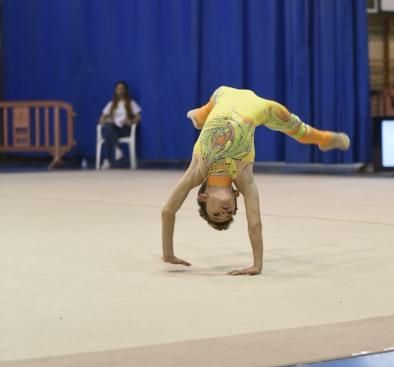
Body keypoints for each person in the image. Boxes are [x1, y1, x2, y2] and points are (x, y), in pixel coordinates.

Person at [161, 86, 350, 275]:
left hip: (222, 94)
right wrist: (257, 265)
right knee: (298, 129)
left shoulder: (198, 170)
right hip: (260, 108)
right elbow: (254, 223)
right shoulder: (243, 178)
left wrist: (168, 254)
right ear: (236, 195)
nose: (224, 212)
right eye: (229, 214)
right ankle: (325, 139)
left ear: (203, 197)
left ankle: (202, 114)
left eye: (216, 214)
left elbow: (168, 211)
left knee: (216, 101)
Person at [98, 81, 141, 169]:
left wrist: (130, 121)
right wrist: (108, 119)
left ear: (125, 90)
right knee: (108, 128)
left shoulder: (131, 103)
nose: (120, 91)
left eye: (122, 89)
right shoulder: (111, 104)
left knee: (107, 133)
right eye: (118, 89)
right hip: (112, 128)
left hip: (123, 129)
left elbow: (138, 118)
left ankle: (107, 160)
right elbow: (101, 120)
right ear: (115, 90)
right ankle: (117, 149)